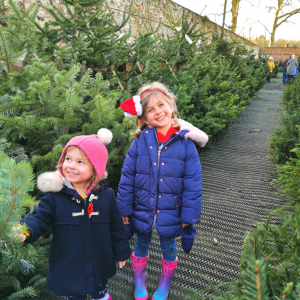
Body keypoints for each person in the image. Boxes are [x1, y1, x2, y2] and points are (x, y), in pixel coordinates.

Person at [13, 129, 131, 300]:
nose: (71, 165)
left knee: (101, 291)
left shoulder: (106, 195)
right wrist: (25, 229)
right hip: (70, 266)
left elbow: (116, 226)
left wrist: (121, 252)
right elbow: (38, 217)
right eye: (68, 159)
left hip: (99, 262)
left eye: (80, 162)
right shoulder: (55, 197)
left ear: (95, 169)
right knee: (76, 295)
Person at [117, 82, 206, 300]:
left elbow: (193, 183)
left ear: (171, 106)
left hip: (171, 209)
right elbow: (127, 177)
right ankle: (140, 284)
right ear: (144, 118)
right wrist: (124, 209)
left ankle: (164, 286)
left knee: (168, 245)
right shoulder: (139, 143)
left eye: (161, 105)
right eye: (150, 109)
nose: (158, 112)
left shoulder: (186, 143)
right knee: (141, 243)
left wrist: (188, 216)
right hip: (142, 207)